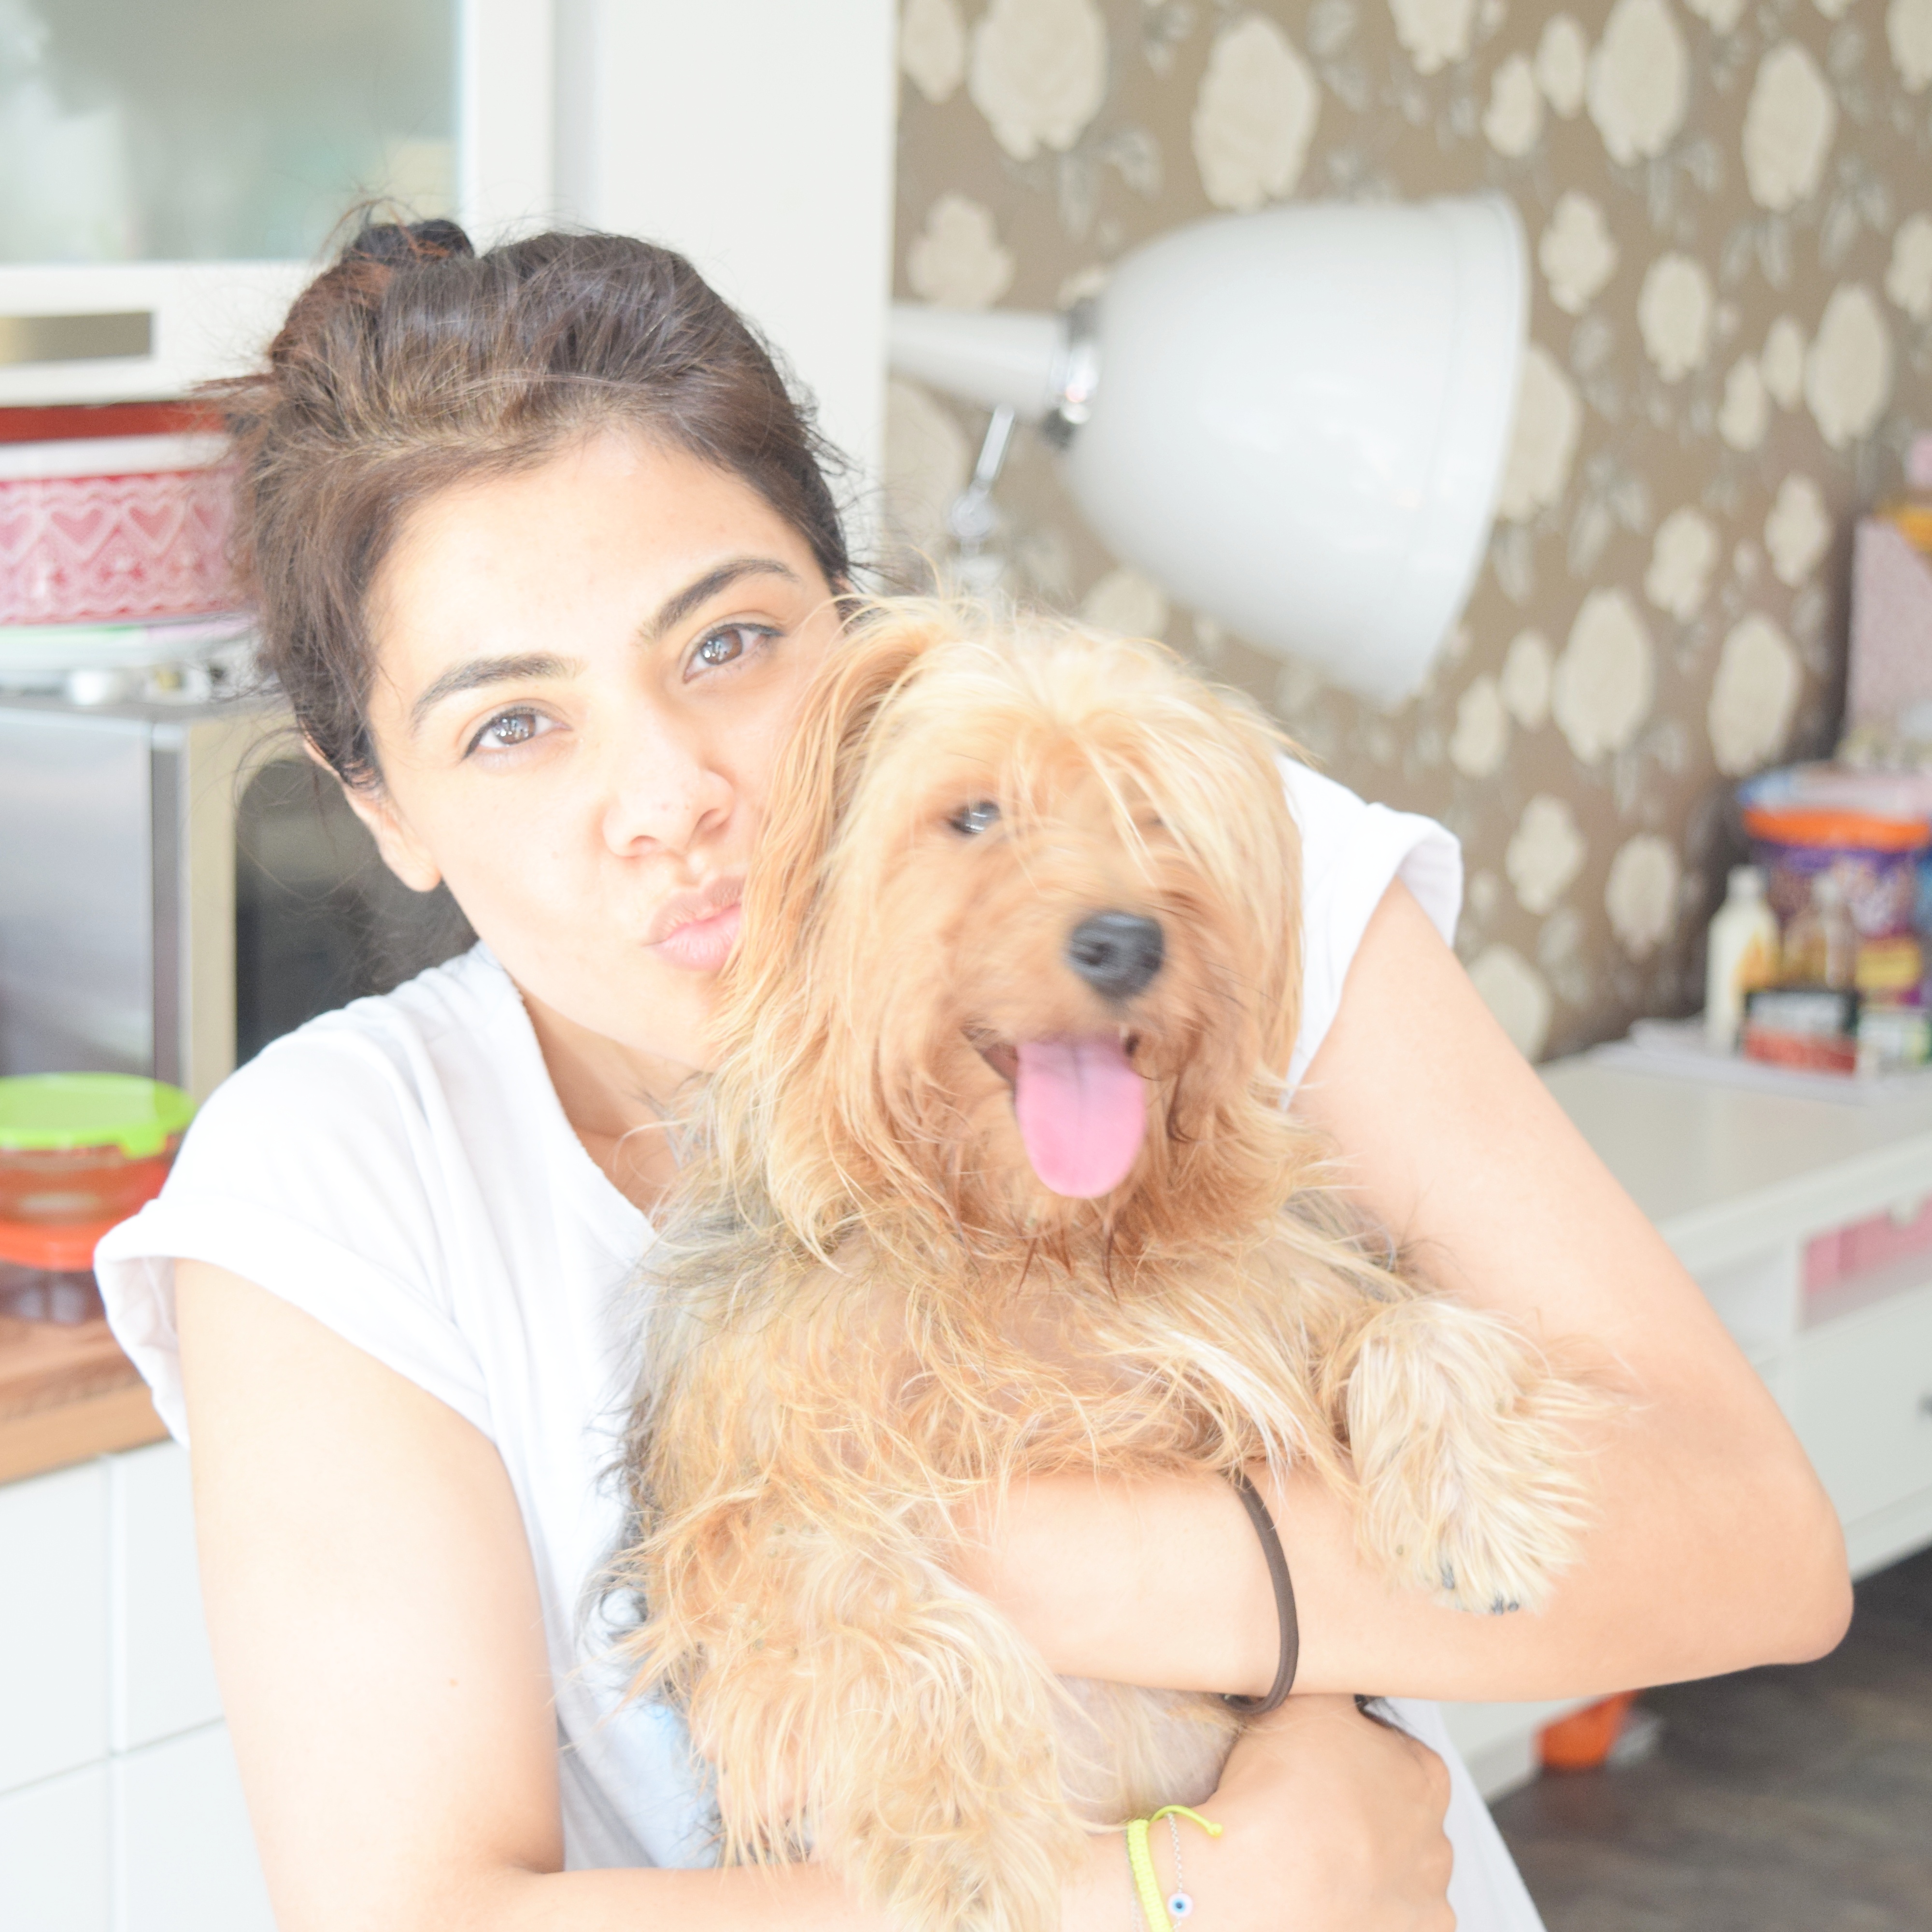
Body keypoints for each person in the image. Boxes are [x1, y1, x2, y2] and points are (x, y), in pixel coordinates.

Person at [99, 222, 1849, 1932]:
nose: (673, 798)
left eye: (728, 643)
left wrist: (1025, 1564)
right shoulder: (342, 1179)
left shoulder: (1189, 878)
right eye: (511, 724)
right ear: (379, 805)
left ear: (863, 634)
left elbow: (1759, 1549)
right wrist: (1197, 1891)